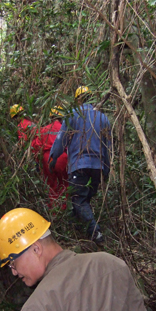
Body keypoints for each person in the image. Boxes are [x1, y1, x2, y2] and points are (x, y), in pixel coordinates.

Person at [0, 208, 153, 311]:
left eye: (13, 263)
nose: (14, 272)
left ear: (36, 249)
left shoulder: (36, 308)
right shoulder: (112, 264)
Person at [48, 86, 111, 244]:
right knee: (85, 199)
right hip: (97, 166)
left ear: (77, 100)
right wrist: (106, 169)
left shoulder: (73, 117)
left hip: (79, 165)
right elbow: (107, 146)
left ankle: (95, 233)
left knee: (79, 200)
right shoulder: (103, 118)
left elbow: (61, 140)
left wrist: (53, 159)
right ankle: (79, 233)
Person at [31, 107, 69, 210]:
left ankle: (53, 211)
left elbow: (36, 146)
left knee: (51, 186)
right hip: (62, 158)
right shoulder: (64, 129)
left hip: (47, 159)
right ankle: (64, 209)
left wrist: (37, 163)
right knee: (65, 184)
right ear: (61, 117)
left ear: (51, 117)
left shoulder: (43, 130)